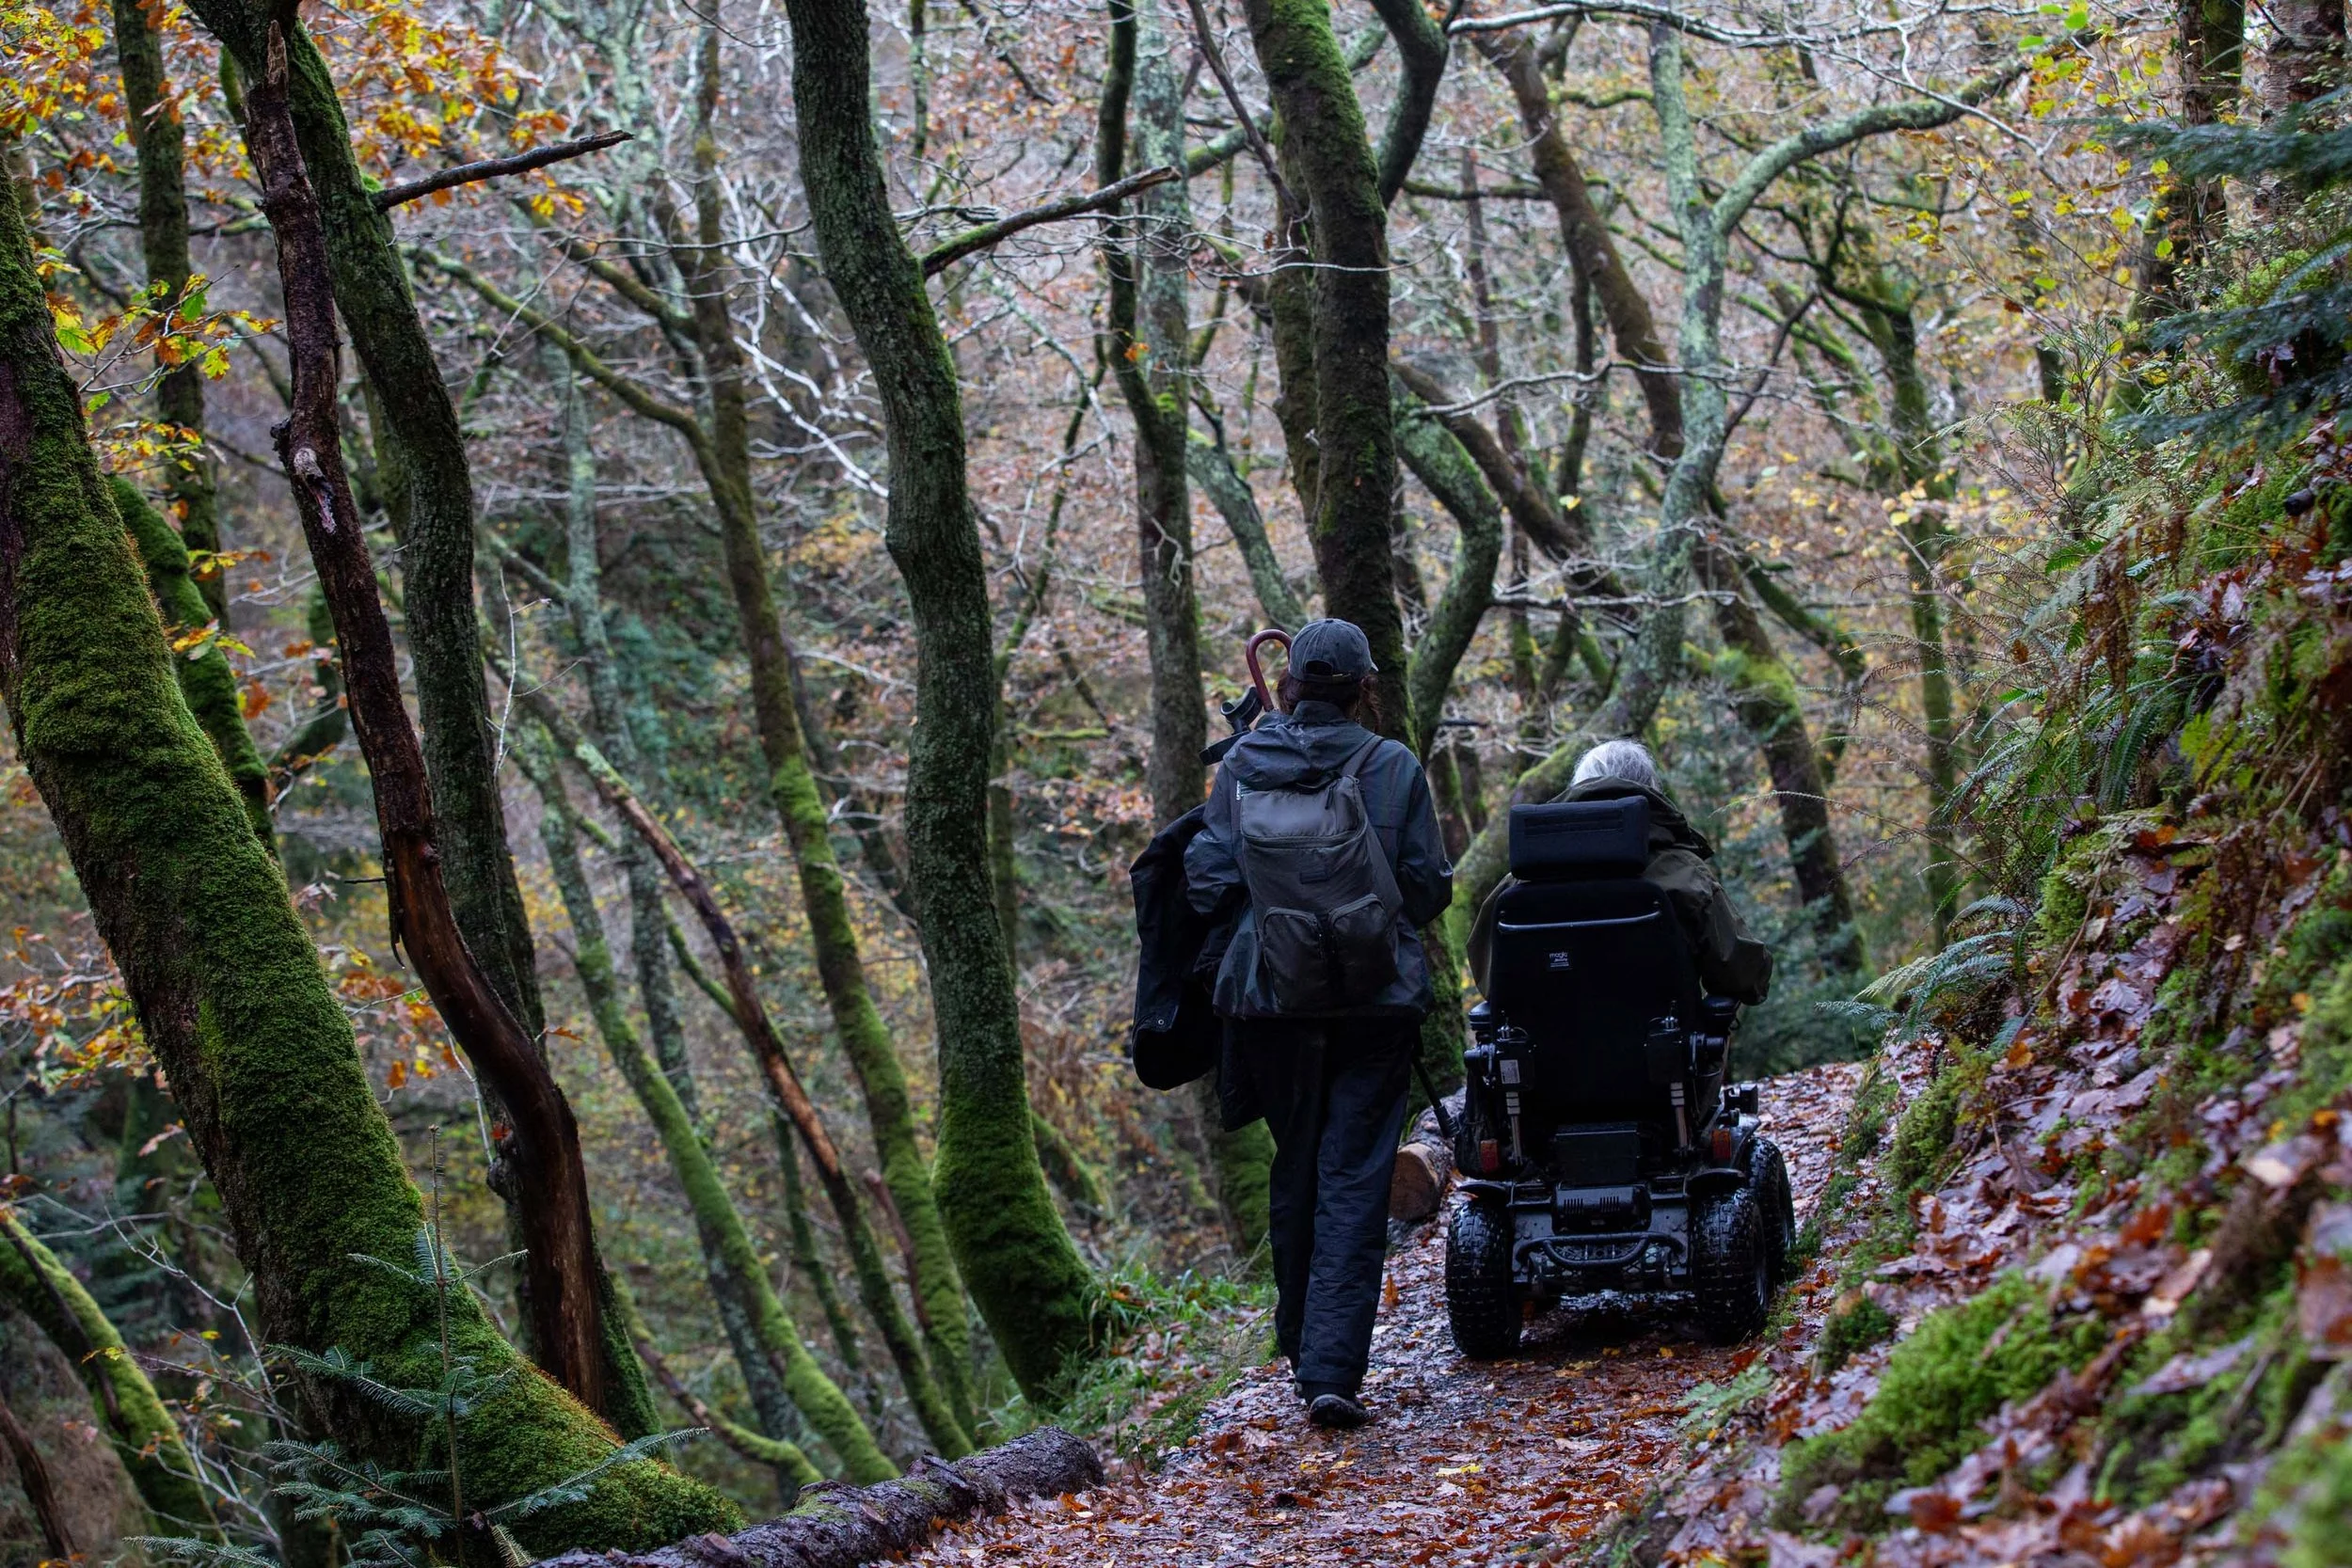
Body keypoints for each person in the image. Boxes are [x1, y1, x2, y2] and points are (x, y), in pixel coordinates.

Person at [1184, 619, 1453, 1430]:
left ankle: (1301, 1346)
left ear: (1292, 682)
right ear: (1365, 685)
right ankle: (1330, 1370)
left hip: (1270, 1004)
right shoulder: (1392, 764)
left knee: (1297, 1164)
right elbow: (1427, 887)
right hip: (1374, 1001)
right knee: (1353, 1174)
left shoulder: (1240, 766)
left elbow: (1205, 879)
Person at [1467, 738, 1772, 1004]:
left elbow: (1491, 982)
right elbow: (1744, 977)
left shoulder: (1518, 884)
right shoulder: (1685, 875)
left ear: (1577, 792)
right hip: (1663, 1059)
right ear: (1651, 794)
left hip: (1546, 1063)